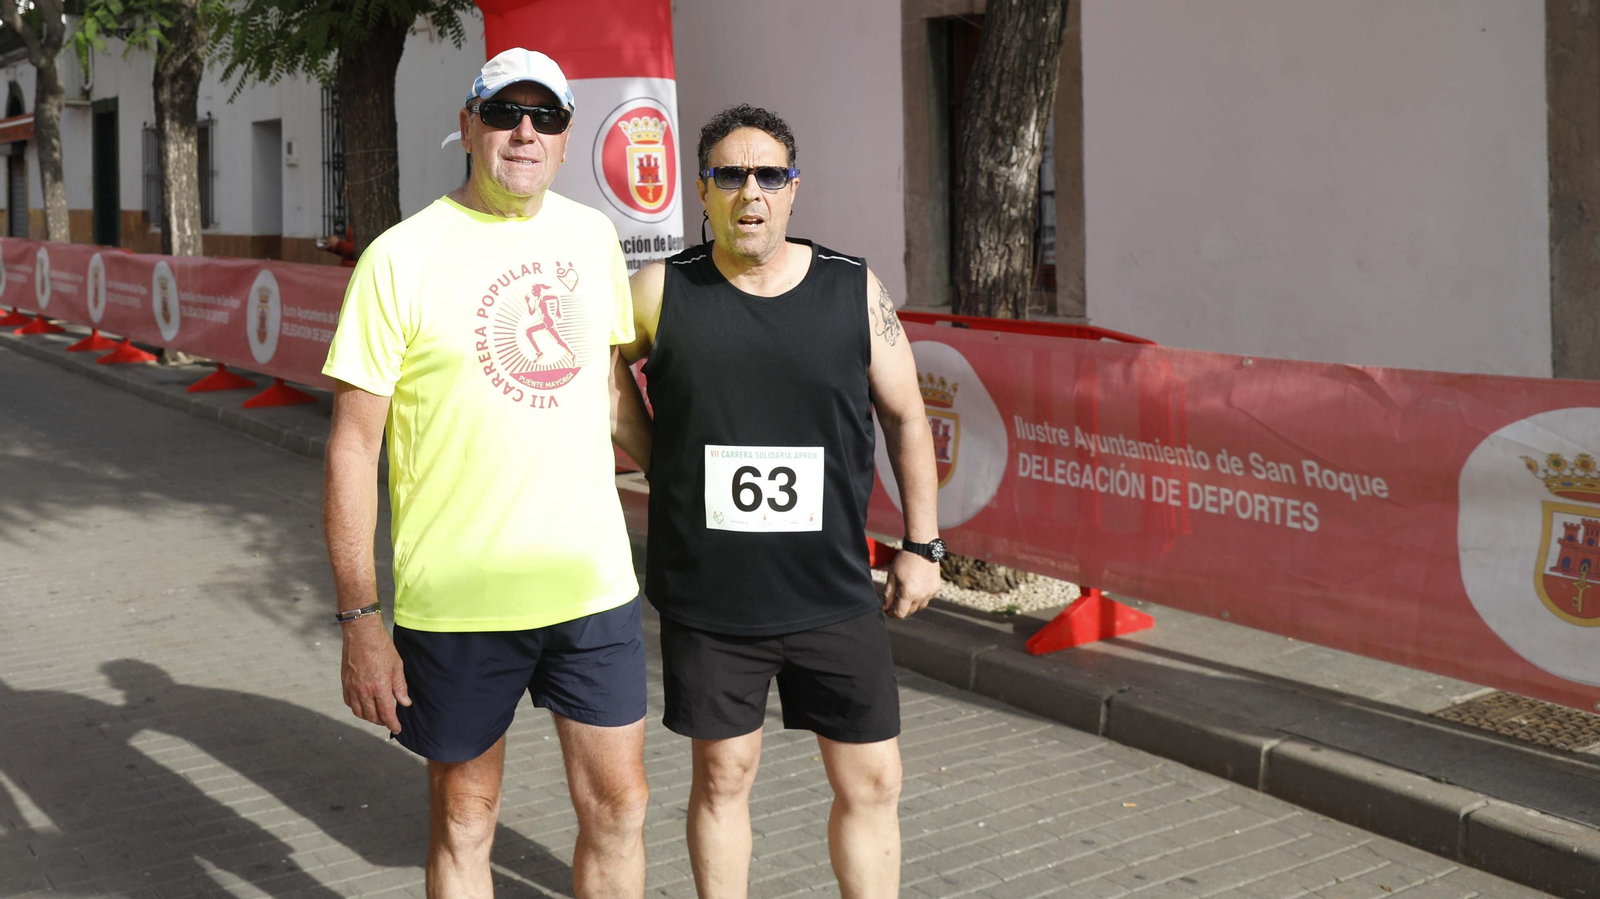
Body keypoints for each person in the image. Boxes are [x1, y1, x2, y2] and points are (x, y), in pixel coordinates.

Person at [321, 48, 654, 899]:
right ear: (469, 126)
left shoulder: (592, 238)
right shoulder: (399, 257)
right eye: (505, 112)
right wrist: (361, 617)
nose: (524, 132)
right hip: (460, 600)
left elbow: (615, 399)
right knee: (467, 818)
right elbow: (354, 446)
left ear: (567, 138)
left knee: (620, 806)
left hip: (591, 589)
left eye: (545, 117)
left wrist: (688, 505)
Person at [621, 104, 944, 899]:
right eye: (730, 175)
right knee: (725, 776)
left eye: (769, 174)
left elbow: (906, 415)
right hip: (712, 596)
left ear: (794, 190)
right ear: (704, 189)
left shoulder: (851, 287)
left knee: (872, 780)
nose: (750, 191)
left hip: (831, 592)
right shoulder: (662, 289)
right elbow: (597, 374)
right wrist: (662, 460)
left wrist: (923, 543)